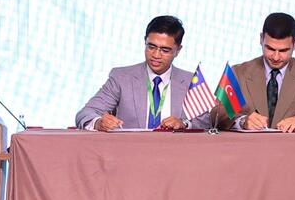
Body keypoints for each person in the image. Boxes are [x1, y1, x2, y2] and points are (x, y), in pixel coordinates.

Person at [76, 16, 210, 131]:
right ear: (145, 42)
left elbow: (205, 123)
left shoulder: (190, 81)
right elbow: (85, 113)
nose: (156, 55)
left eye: (165, 50)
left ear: (178, 50)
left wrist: (184, 124)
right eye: (151, 47)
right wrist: (99, 123)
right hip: (130, 151)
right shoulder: (121, 78)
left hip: (175, 151)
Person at [217, 12, 295, 132]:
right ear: (261, 39)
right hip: (249, 144)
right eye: (270, 48)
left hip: (292, 144)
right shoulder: (238, 73)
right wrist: (242, 121)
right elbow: (217, 113)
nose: (276, 57)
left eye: (283, 50)